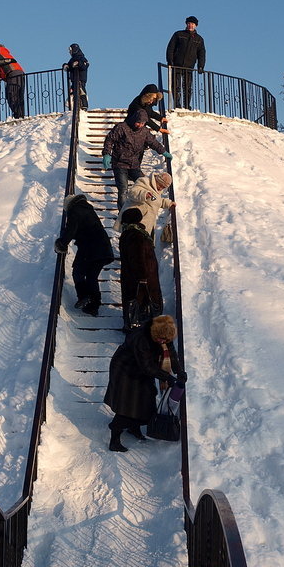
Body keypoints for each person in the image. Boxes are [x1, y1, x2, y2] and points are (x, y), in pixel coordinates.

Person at [104, 315, 186, 452]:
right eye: (161, 339)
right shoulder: (140, 338)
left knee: (146, 402)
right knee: (127, 405)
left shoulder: (164, 335)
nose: (163, 342)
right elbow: (147, 366)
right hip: (125, 369)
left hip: (141, 371)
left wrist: (179, 371)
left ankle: (133, 427)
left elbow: (171, 353)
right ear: (154, 333)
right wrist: (167, 377)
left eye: (165, 340)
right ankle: (115, 438)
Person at [54, 194, 114, 316]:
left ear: (68, 206)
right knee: (91, 276)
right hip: (101, 246)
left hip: (90, 248)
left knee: (78, 272)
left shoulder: (74, 211)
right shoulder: (86, 208)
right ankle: (93, 304)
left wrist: (61, 243)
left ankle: (86, 298)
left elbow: (71, 230)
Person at [102, 109, 172, 210]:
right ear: (133, 119)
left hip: (134, 165)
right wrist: (106, 154)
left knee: (146, 184)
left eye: (142, 123)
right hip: (119, 164)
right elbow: (110, 139)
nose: (139, 125)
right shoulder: (122, 127)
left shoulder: (144, 131)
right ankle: (123, 213)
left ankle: (146, 207)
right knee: (123, 189)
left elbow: (153, 143)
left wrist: (163, 152)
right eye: (138, 122)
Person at [119, 207, 163, 331]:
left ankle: (136, 329)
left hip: (138, 277)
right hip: (147, 275)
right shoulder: (142, 233)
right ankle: (146, 327)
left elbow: (137, 257)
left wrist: (142, 277)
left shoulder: (132, 235)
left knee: (138, 303)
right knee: (146, 304)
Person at [115, 172, 176, 239]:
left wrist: (168, 203)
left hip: (146, 222)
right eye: (161, 185)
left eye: (163, 187)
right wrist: (144, 194)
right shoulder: (144, 181)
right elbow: (132, 192)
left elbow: (156, 200)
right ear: (157, 180)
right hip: (135, 219)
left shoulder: (157, 190)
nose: (161, 188)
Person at [166, 16, 206, 109]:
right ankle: (177, 104)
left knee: (187, 87)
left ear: (196, 25)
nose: (190, 25)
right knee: (176, 86)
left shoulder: (199, 39)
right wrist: (170, 61)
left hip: (189, 67)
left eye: (192, 24)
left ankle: (187, 105)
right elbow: (170, 48)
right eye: (188, 23)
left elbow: (202, 54)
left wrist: (201, 66)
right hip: (176, 65)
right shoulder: (178, 34)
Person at [0, 42, 26, 119]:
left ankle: (18, 115)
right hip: (19, 73)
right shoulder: (5, 52)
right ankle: (20, 114)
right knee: (19, 95)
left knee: (11, 94)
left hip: (12, 74)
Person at [63, 43, 89, 109]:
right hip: (74, 80)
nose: (69, 52)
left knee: (81, 91)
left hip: (80, 79)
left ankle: (84, 105)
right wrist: (65, 66)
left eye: (71, 50)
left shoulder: (82, 58)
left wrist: (78, 63)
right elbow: (70, 66)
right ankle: (71, 104)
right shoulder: (72, 59)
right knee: (72, 91)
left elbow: (85, 65)